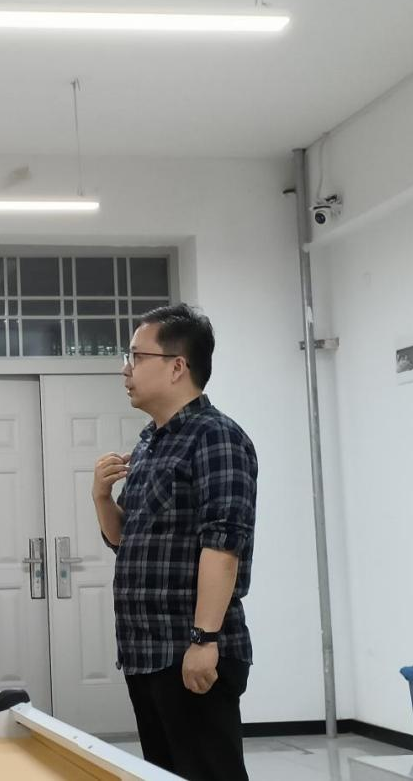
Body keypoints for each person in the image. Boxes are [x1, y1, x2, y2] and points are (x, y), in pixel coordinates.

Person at [92, 304, 258, 781]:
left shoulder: (217, 437)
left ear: (177, 366)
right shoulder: (150, 441)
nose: (126, 370)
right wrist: (101, 496)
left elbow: (223, 546)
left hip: (190, 648)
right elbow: (127, 539)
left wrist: (204, 639)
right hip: (145, 650)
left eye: (136, 356)